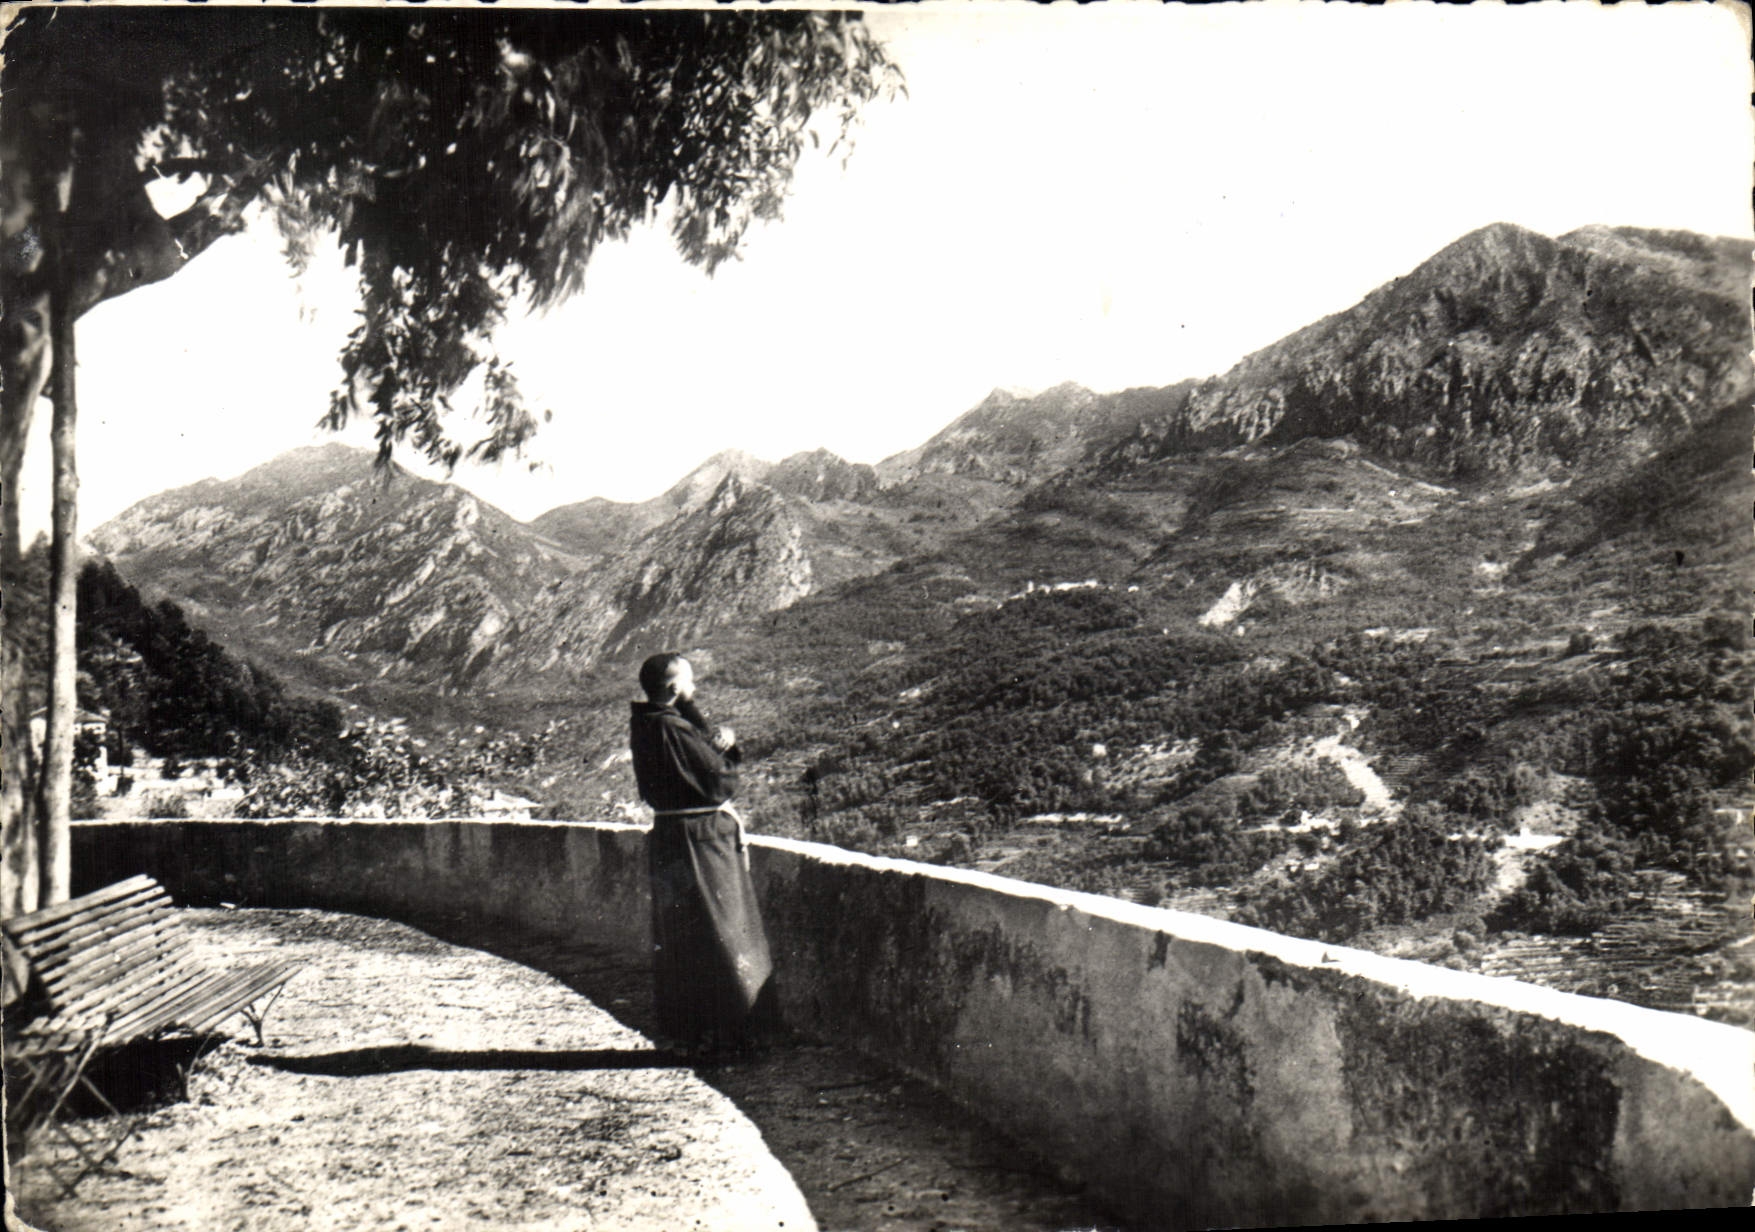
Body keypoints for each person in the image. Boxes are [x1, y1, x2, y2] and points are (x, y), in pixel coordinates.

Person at [629, 652, 774, 1058]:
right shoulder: (671, 727)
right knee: (721, 930)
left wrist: (698, 721)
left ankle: (695, 1032)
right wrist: (726, 748)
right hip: (701, 839)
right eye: (689, 683)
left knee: (686, 935)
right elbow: (719, 780)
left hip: (674, 835)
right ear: (675, 688)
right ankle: (730, 1032)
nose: (695, 688)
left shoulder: (650, 723)